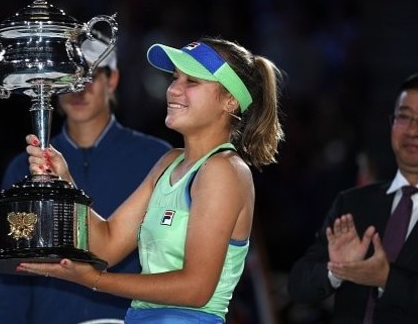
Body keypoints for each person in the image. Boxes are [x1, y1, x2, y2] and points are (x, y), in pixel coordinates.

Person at [18, 37, 285, 323]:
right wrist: (65, 182)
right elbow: (106, 244)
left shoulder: (225, 170)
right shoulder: (169, 162)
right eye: (175, 78)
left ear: (230, 99)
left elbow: (196, 289)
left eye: (191, 82)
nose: (173, 90)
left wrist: (94, 279)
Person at [0, 38, 172, 323]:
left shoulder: (156, 159)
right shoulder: (25, 167)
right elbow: (13, 272)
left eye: (89, 75)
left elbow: (173, 261)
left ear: (112, 79)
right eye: (68, 77)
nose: (78, 88)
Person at [287, 71, 418, 323]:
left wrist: (386, 279)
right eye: (404, 116)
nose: (412, 130)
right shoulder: (353, 203)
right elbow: (299, 286)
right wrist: (336, 270)